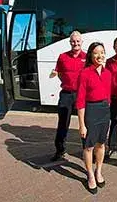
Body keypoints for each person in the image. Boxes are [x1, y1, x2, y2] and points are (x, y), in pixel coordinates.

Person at [76, 42, 111, 195]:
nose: (100, 56)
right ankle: (90, 175)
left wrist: (107, 107)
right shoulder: (84, 73)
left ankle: (98, 171)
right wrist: (82, 124)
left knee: (101, 144)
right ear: (90, 55)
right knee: (89, 147)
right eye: (96, 53)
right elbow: (80, 100)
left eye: (102, 52)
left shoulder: (107, 73)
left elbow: (109, 95)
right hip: (90, 111)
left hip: (104, 111)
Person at [50, 31, 86, 161]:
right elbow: (59, 73)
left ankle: (87, 151)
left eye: (78, 41)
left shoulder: (87, 57)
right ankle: (60, 150)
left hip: (82, 95)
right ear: (69, 42)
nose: (75, 43)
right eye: (73, 41)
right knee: (63, 124)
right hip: (66, 94)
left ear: (81, 42)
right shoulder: (62, 57)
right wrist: (67, 83)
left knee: (85, 124)